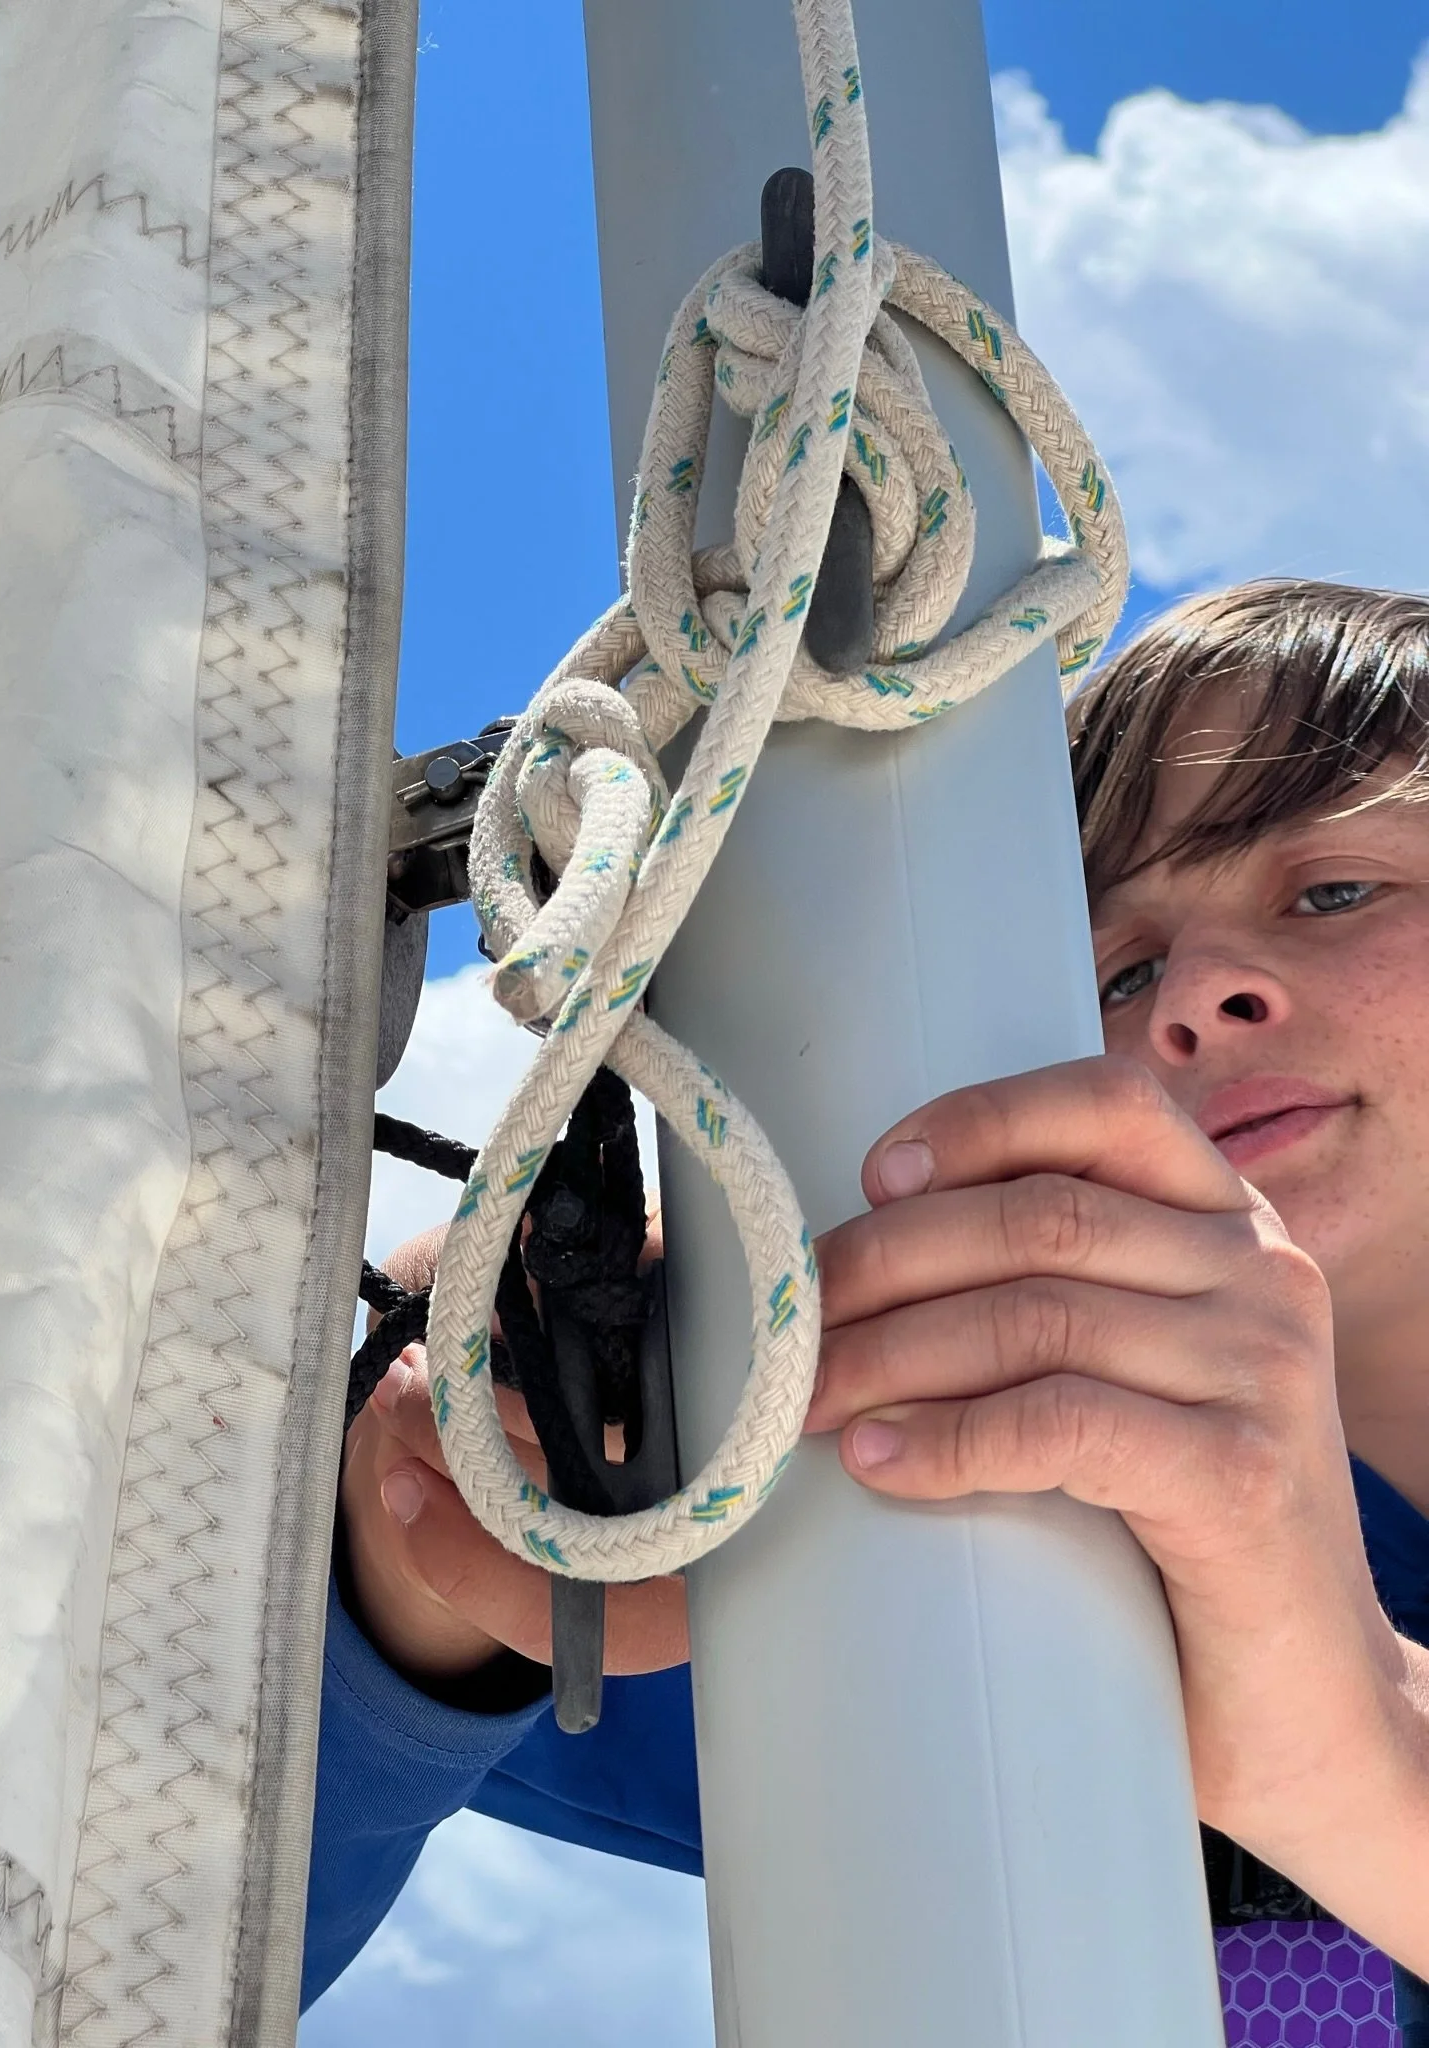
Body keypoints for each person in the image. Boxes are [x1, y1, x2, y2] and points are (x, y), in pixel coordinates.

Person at [304, 578, 1429, 2044]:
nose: (1195, 997)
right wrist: (418, 1569)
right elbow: (100, 1934)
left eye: (1336, 890)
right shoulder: (937, 1491)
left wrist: (1355, 1744)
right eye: (1120, 965)